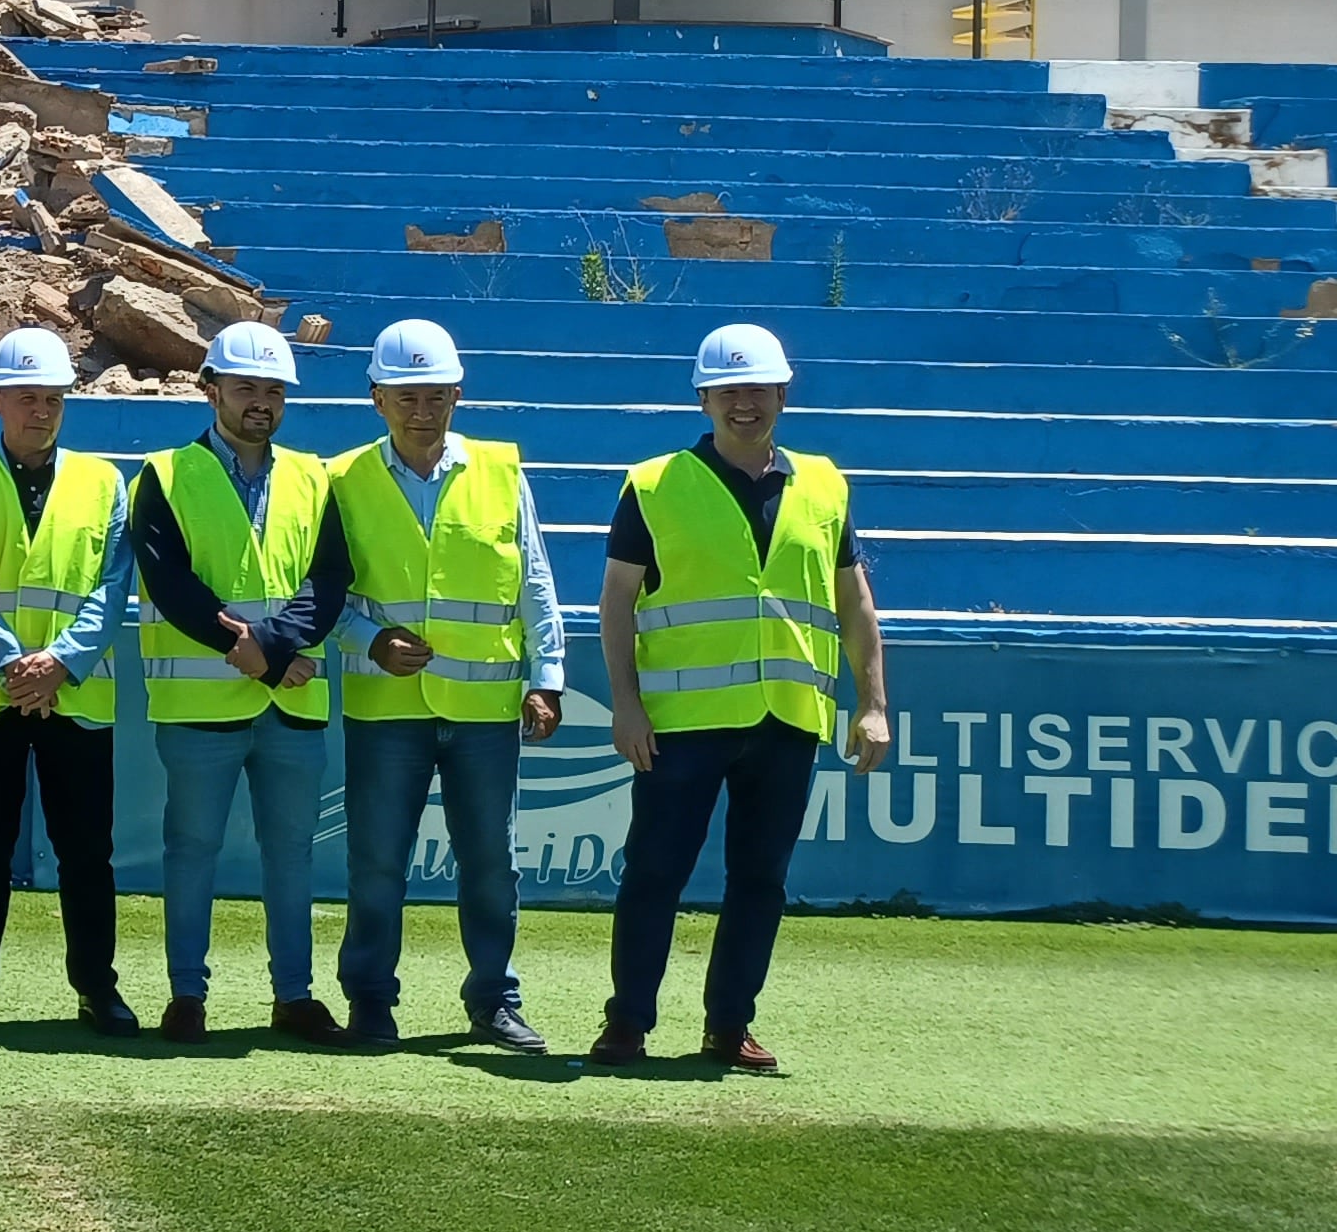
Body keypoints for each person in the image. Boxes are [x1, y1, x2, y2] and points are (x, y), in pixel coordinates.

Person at [594, 322, 890, 1072]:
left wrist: (874, 702)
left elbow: (854, 602)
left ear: (783, 395)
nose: (744, 404)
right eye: (728, 391)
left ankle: (729, 1026)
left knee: (761, 881)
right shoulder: (654, 484)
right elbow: (616, 603)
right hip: (680, 723)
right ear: (703, 399)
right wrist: (624, 706)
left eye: (757, 388)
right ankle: (627, 1022)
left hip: (786, 720)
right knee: (655, 872)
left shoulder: (824, 483)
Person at [328, 319, 563, 1054]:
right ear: (376, 398)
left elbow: (534, 582)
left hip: (486, 707)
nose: (420, 410)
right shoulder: (339, 479)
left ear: (458, 396)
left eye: (434, 396)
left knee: (492, 863)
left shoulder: (501, 471)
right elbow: (318, 592)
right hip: (384, 705)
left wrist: (547, 677)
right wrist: (369, 640)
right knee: (375, 864)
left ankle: (494, 999)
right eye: (405, 396)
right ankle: (371, 1002)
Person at [132, 319, 352, 1045]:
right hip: (202, 703)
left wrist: (275, 645)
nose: (261, 401)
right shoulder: (163, 474)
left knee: (291, 854)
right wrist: (249, 647)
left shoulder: (315, 477)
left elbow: (329, 580)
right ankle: (186, 996)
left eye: (272, 389)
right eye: (246, 387)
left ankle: (294, 994)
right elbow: (169, 581)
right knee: (190, 851)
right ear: (210, 389)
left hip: (289, 700)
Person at [0, 326, 140, 1035]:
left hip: (76, 694)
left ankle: (97, 987)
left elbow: (113, 587)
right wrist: (8, 663)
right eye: (26, 398)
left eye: (53, 398)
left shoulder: (104, 481)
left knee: (88, 850)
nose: (41, 411)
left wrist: (60, 662)